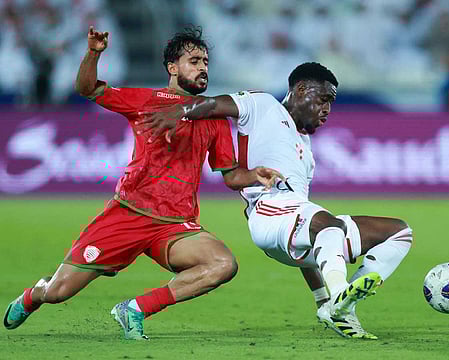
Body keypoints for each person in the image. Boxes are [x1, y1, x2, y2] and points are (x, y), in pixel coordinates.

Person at [3, 26, 283, 340]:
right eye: (194, 60)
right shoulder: (146, 100)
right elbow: (87, 89)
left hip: (175, 224)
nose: (203, 67)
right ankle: (33, 295)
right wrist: (94, 53)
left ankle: (135, 308)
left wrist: (255, 174)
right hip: (128, 214)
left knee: (222, 264)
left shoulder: (214, 117)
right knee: (58, 292)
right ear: (172, 68)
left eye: (205, 61)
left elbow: (231, 175)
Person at [136, 62, 413, 339]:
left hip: (290, 224)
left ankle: (338, 304)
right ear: (301, 89)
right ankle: (341, 295)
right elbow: (212, 105)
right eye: (323, 99)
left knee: (398, 232)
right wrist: (180, 112)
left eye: (331, 103)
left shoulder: (306, 153)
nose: (327, 109)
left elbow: (310, 230)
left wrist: (320, 298)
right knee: (326, 224)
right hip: (266, 211)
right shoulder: (263, 105)